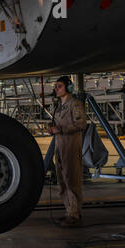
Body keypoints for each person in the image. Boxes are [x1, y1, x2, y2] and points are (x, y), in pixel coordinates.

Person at [49, 76, 87, 228]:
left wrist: (61, 129)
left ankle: (75, 214)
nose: (56, 89)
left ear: (69, 88)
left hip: (70, 146)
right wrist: (52, 129)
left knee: (72, 179)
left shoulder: (75, 104)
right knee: (62, 180)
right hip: (60, 146)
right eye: (56, 87)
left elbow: (81, 124)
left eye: (59, 86)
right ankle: (69, 211)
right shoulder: (60, 106)